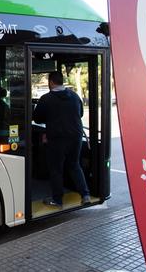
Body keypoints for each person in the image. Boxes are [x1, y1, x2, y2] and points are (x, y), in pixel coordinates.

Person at [32, 71, 91, 208]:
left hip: (57, 138)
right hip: (76, 137)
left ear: (51, 82)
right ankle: (85, 195)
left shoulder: (46, 98)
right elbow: (80, 114)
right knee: (74, 165)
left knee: (56, 169)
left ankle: (57, 200)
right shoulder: (75, 96)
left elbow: (37, 118)